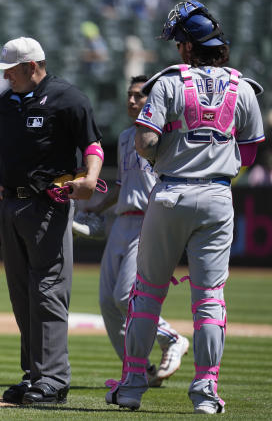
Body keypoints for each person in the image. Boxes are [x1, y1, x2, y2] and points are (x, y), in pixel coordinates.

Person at [105, 0, 265, 414]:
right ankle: (206, 392)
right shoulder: (243, 87)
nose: (177, 49)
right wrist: (219, 167)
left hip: (171, 192)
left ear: (189, 47)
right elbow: (250, 152)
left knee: (147, 295)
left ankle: (132, 386)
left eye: (179, 42)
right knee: (210, 299)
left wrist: (165, 162)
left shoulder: (169, 83)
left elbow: (144, 140)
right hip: (217, 197)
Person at [0, 37, 104, 405]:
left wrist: (89, 177)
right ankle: (34, 375)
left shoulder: (68, 98)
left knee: (48, 292)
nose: (5, 75)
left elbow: (92, 145)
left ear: (31, 65)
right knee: (22, 296)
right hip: (10, 206)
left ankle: (53, 380)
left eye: (10, 69)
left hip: (47, 206)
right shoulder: (6, 103)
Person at [86, 76, 189, 387]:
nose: (131, 102)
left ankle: (172, 338)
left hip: (148, 220)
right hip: (121, 222)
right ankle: (139, 372)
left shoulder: (166, 136)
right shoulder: (125, 137)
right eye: (129, 96)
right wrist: (97, 208)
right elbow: (122, 186)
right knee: (107, 302)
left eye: (138, 96)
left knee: (124, 297)